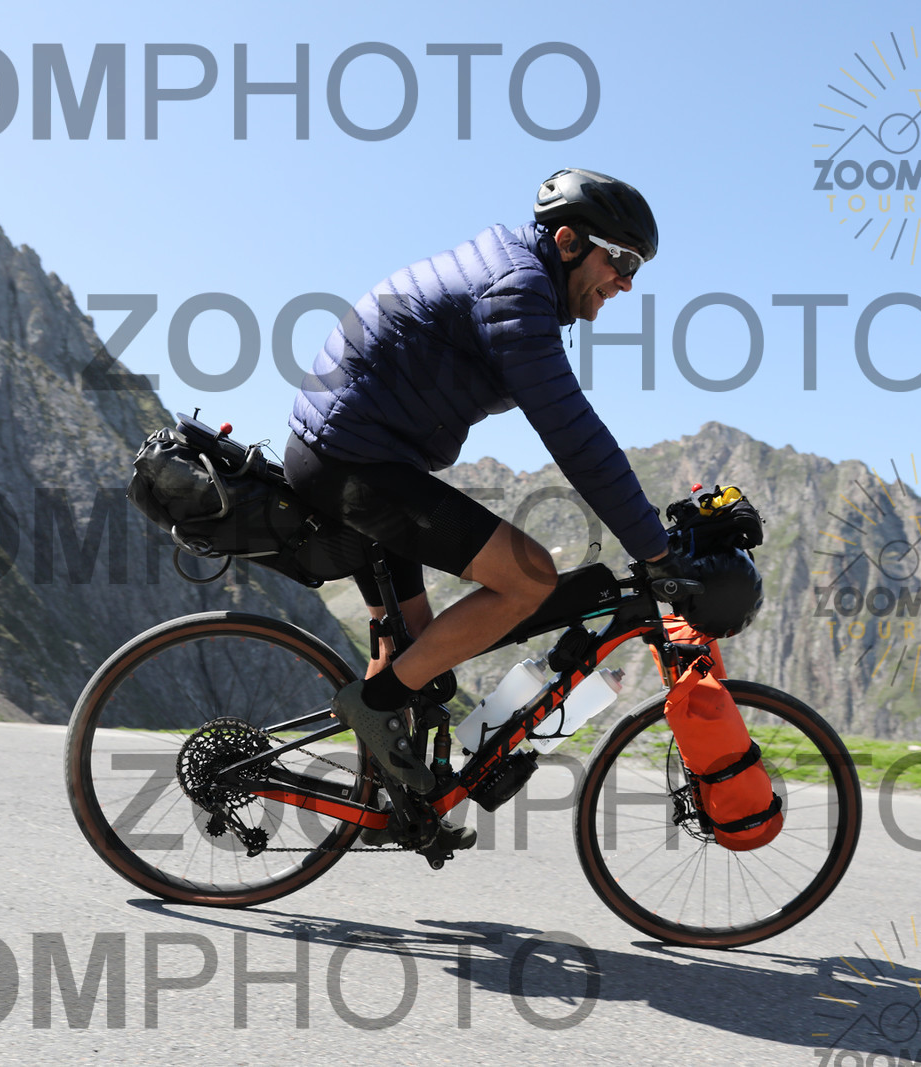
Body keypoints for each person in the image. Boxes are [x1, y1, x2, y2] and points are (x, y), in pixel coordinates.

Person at [286, 168, 686, 803]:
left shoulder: (514, 277)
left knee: (416, 651)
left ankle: (380, 802)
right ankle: (375, 710)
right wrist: (656, 550)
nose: (627, 282)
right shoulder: (514, 292)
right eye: (622, 261)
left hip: (347, 455)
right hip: (352, 462)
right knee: (529, 577)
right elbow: (575, 437)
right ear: (567, 243)